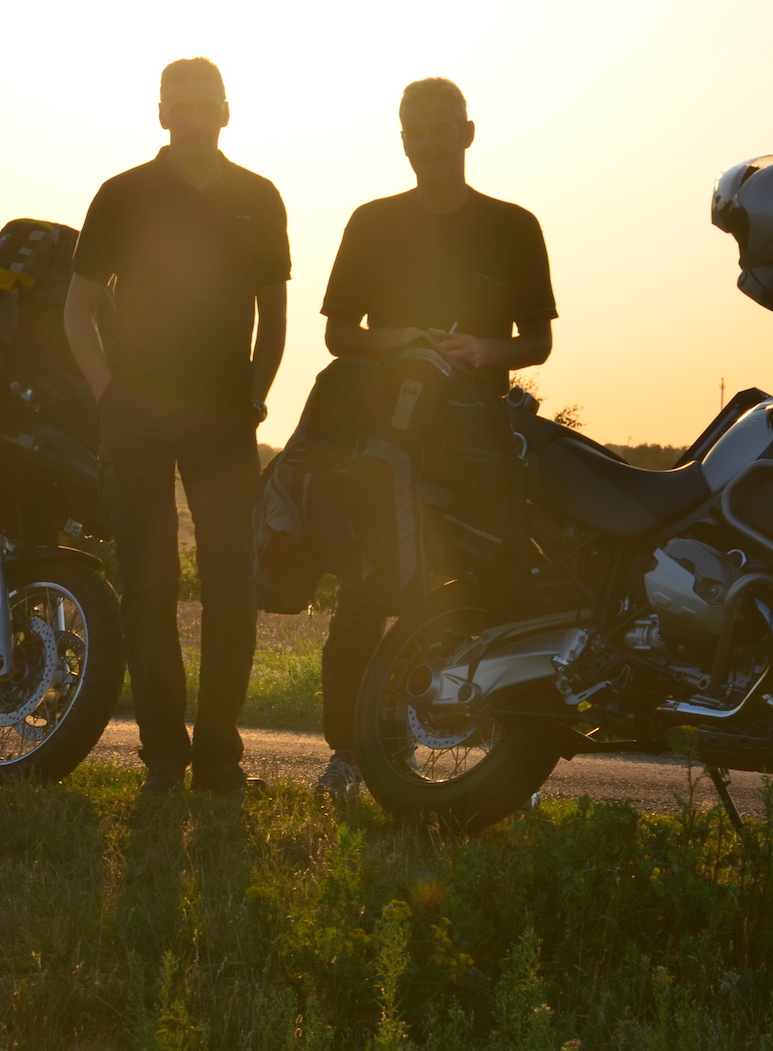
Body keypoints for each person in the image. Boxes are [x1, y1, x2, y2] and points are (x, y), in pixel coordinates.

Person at [312, 77, 557, 799]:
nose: (428, 141)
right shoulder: (371, 221)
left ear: (468, 133)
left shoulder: (513, 225)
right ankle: (348, 756)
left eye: (442, 128)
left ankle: (510, 762)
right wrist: (396, 341)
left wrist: (486, 351)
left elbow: (537, 343)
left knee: (496, 593)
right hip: (382, 437)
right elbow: (335, 335)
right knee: (364, 593)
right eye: (414, 130)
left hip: (477, 439)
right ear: (401, 139)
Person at [65, 58, 289, 793]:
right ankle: (164, 757)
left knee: (231, 588)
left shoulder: (260, 197)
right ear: (161, 114)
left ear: (226, 111)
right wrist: (109, 397)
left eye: (204, 103)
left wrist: (254, 400)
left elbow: (275, 316)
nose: (192, 114)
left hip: (224, 419)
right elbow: (77, 309)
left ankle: (220, 760)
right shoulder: (122, 195)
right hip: (138, 416)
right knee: (149, 585)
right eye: (178, 104)